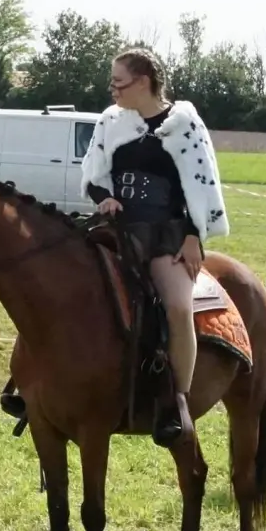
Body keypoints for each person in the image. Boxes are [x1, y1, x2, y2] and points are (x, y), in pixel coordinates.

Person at [68, 46, 232, 446]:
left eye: (119, 82)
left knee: (177, 307)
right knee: (61, 284)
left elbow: (202, 185)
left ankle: (177, 402)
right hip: (115, 229)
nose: (113, 90)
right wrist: (102, 196)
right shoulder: (110, 121)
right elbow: (93, 173)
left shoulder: (186, 123)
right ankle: (25, 382)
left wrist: (195, 235)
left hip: (166, 235)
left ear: (143, 82)